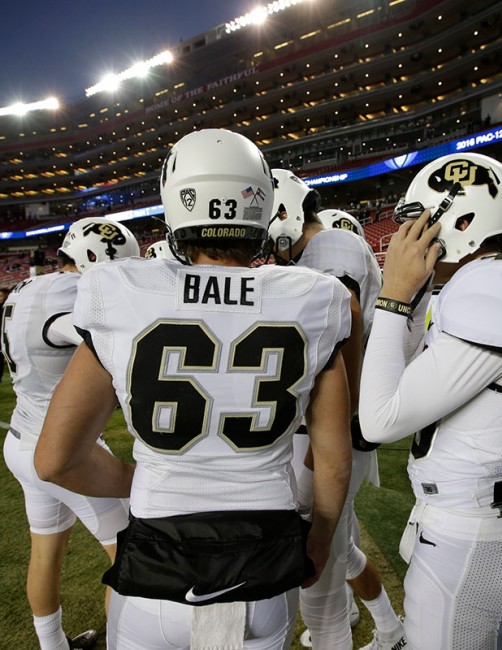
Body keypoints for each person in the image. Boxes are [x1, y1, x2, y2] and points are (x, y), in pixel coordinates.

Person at [34, 128, 353, 650]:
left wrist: (140, 477)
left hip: (156, 573)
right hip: (262, 568)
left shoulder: (124, 289)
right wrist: (318, 540)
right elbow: (334, 459)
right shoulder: (314, 296)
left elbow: (55, 460)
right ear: (264, 206)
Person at [358, 152, 502, 649]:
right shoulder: (486, 284)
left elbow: (380, 419)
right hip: (469, 520)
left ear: (459, 220)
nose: (408, 235)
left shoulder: (499, 290)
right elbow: (406, 367)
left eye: (418, 220)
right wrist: (411, 296)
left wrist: (393, 293)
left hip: (471, 533)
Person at [268, 170, 407, 650]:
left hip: (329, 429)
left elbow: (343, 314)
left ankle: (364, 630)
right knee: (339, 550)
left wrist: (338, 422)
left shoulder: (330, 249)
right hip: (329, 425)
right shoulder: (322, 247)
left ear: (281, 213)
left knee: (316, 575)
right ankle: (389, 629)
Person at [2, 216, 140, 650]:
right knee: (131, 558)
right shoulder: (74, 293)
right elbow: (76, 332)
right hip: (64, 451)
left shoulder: (26, 286)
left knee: (45, 552)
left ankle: (53, 647)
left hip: (22, 441)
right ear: (97, 259)